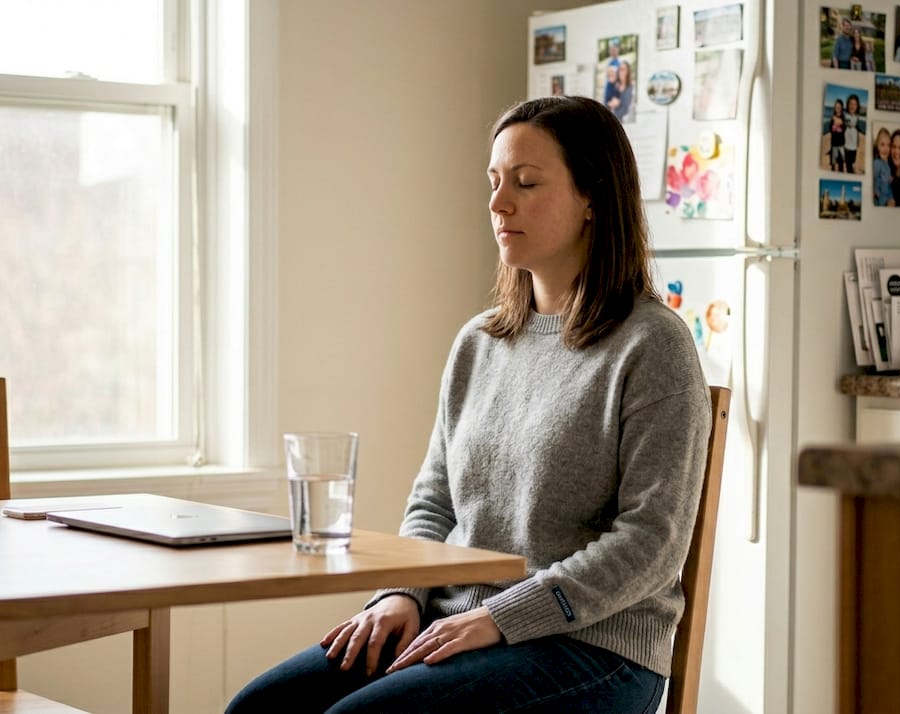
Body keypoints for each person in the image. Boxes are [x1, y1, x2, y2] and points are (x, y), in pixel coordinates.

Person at [225, 95, 711, 714]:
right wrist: (400, 593)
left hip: (594, 649)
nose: (498, 204)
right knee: (258, 710)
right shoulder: (480, 342)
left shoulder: (652, 345)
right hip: (456, 620)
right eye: (494, 182)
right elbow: (434, 500)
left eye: (526, 183)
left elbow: (652, 542)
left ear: (593, 198)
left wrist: (504, 617)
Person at [872, 127, 893, 206]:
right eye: (882, 145)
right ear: (877, 146)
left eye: (888, 145)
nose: (885, 148)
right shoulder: (877, 163)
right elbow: (873, 182)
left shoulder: (887, 165)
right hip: (878, 203)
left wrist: (891, 198)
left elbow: (888, 186)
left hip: (885, 202)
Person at [844, 94, 862, 174]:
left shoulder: (857, 117)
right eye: (850, 104)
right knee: (848, 165)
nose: (852, 106)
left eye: (854, 104)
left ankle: (851, 167)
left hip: (854, 146)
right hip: (846, 146)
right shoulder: (844, 115)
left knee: (852, 161)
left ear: (857, 106)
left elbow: (857, 129)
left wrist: (858, 142)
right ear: (847, 105)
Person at [828, 98, 846, 172]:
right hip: (834, 143)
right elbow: (830, 129)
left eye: (839, 107)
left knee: (841, 164)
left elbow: (844, 129)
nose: (837, 108)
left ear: (841, 108)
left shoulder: (844, 118)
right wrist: (835, 126)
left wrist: (839, 123)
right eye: (836, 107)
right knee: (833, 164)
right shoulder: (832, 118)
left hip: (841, 144)